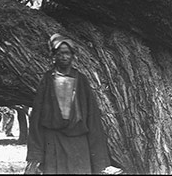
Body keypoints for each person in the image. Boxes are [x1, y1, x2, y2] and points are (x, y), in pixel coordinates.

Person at [25, 33, 110, 174]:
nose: (64, 57)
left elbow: (92, 117)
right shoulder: (47, 80)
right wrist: (36, 155)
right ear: (54, 56)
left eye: (67, 53)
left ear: (73, 56)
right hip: (53, 141)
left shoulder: (81, 80)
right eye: (60, 53)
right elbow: (37, 117)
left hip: (78, 141)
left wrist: (99, 159)